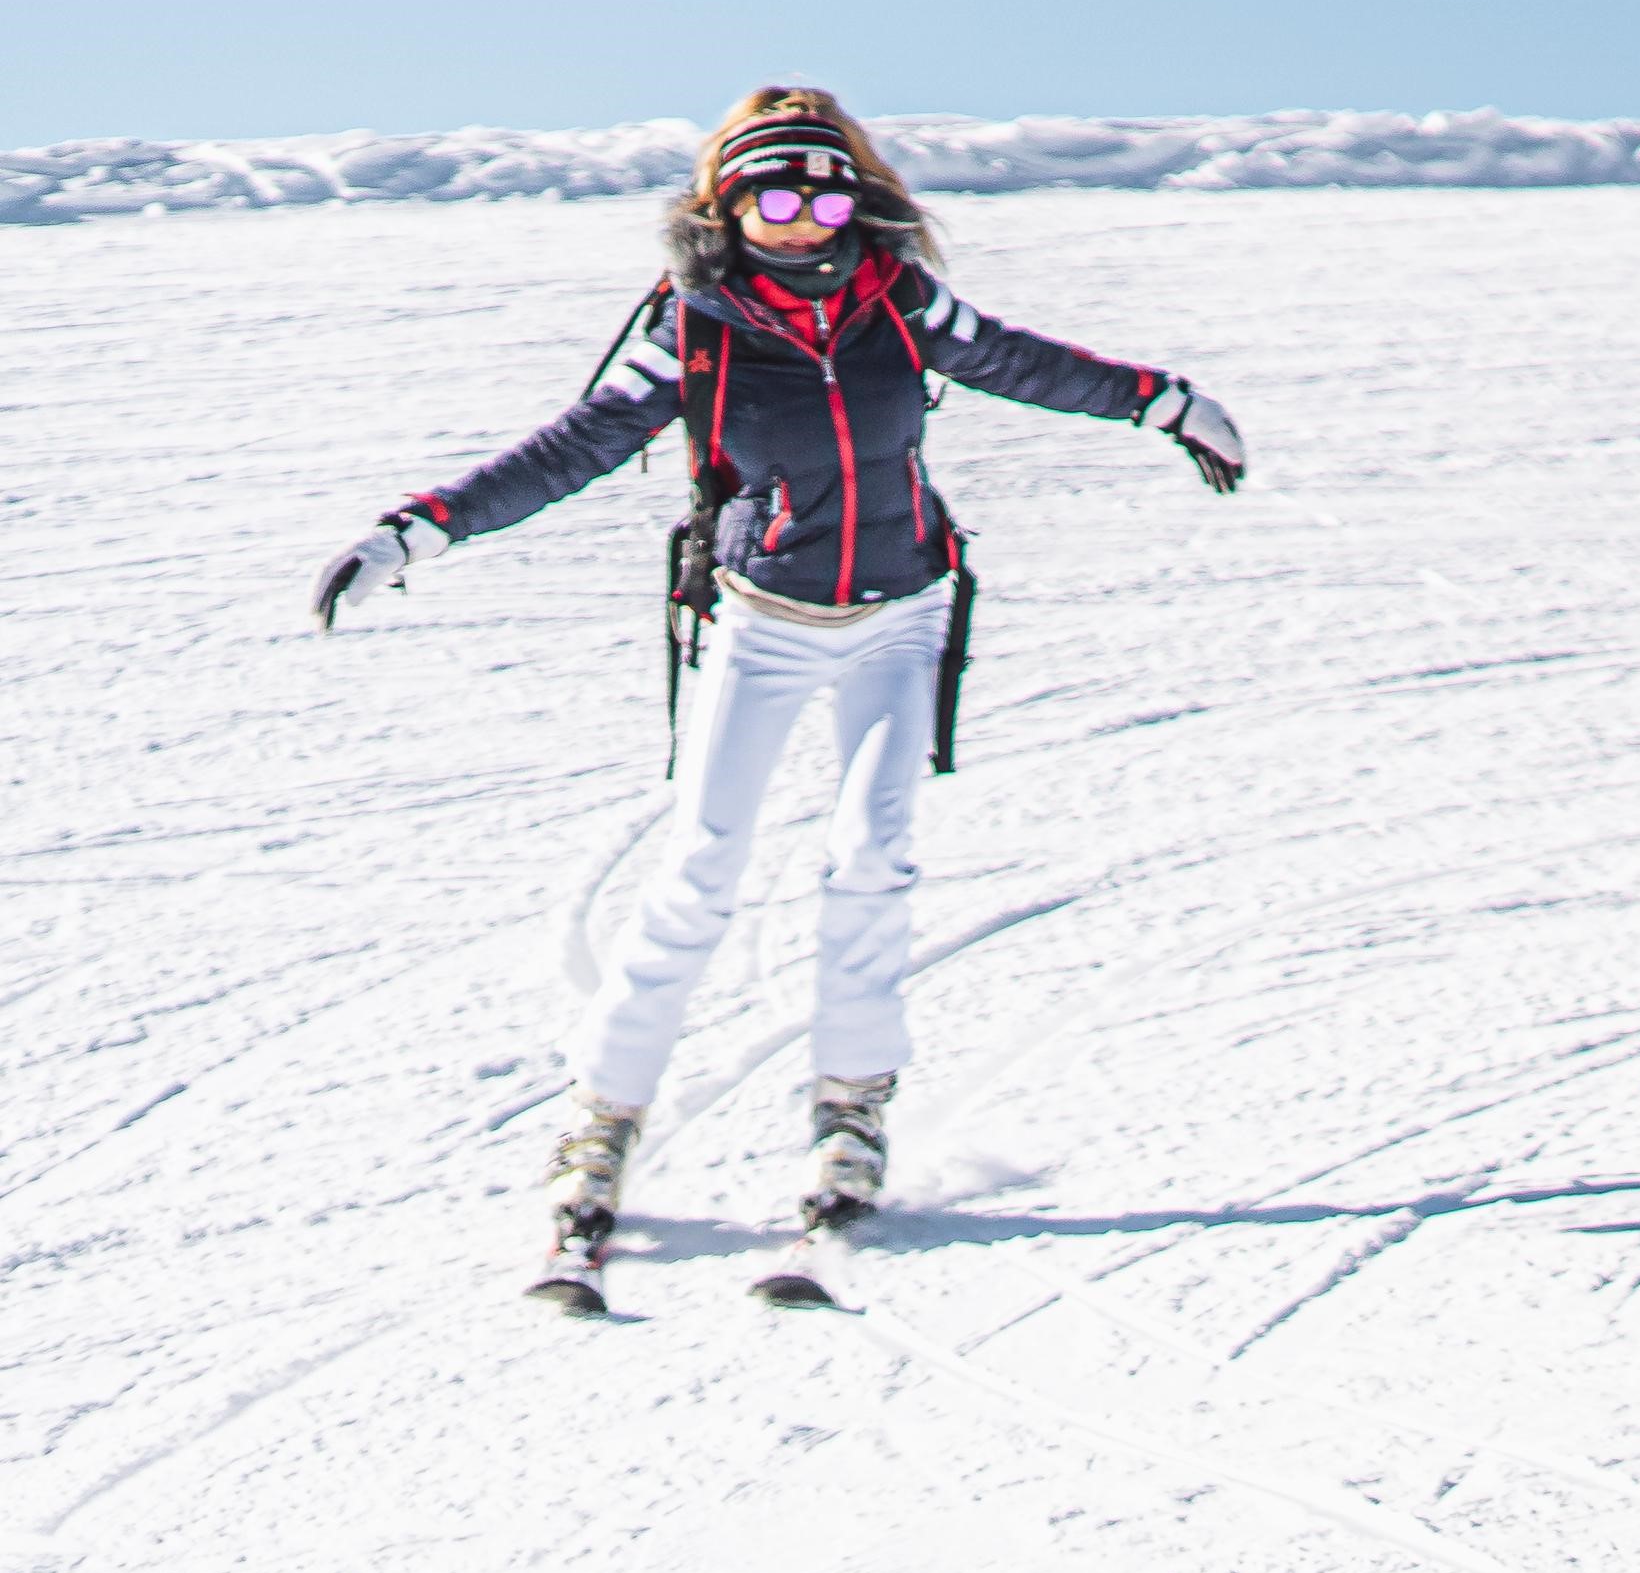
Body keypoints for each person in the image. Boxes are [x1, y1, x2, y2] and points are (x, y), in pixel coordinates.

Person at [311, 88, 1247, 1314]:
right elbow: (573, 444)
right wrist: (418, 529)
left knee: (874, 858)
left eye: (824, 194)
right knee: (700, 868)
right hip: (763, 620)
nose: (804, 220)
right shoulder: (692, 327)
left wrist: (1158, 398)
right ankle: (600, 1127)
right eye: (774, 196)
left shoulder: (900, 303)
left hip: (902, 613)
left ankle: (849, 1116)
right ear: (729, 205)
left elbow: (1023, 363)